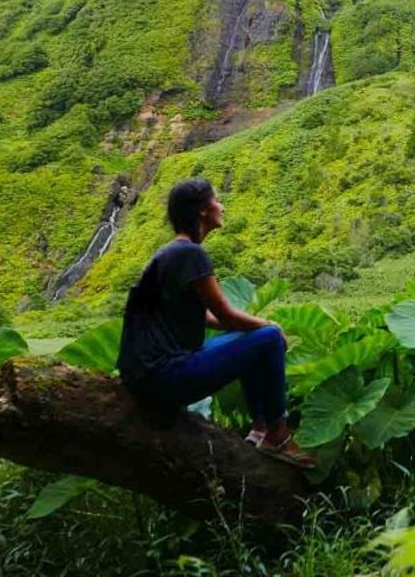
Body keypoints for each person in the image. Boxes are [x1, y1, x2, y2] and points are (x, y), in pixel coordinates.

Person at [117, 177, 314, 467]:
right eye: (217, 200)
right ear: (202, 211)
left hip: (146, 377)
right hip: (165, 376)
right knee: (268, 338)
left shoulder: (171, 252)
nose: (222, 206)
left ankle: (259, 430)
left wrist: (257, 328)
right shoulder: (191, 254)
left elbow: (206, 318)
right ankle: (278, 435)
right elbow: (225, 315)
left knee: (255, 339)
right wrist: (270, 326)